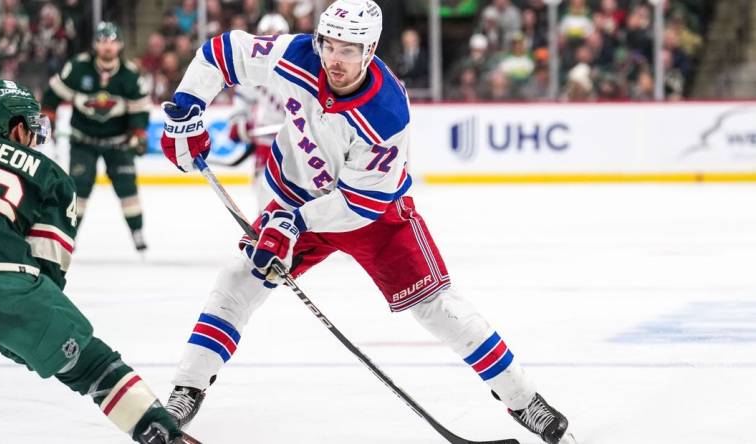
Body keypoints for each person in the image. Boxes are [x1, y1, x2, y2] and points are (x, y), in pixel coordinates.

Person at [159, 1, 576, 443]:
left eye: (349, 50)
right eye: (330, 45)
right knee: (238, 280)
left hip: (371, 216)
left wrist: (294, 225)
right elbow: (223, 52)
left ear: (370, 49)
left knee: (439, 307)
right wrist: (188, 109)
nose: (335, 59)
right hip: (294, 200)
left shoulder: (386, 112)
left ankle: (524, 399)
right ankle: (188, 387)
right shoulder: (297, 55)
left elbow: (360, 203)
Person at [0, 80, 196, 444]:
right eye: (30, 126)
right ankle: (158, 431)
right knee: (92, 366)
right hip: (9, 284)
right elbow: (48, 276)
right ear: (15, 128)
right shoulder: (50, 175)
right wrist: (25, 339)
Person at [42, 21, 152, 253]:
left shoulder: (130, 75)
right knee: (78, 190)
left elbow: (139, 109)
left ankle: (137, 232)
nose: (107, 47)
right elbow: (53, 94)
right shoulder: (78, 68)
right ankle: (69, 235)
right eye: (102, 42)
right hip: (83, 141)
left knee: (127, 188)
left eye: (112, 42)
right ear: (95, 45)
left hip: (118, 143)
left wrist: (138, 133)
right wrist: (48, 117)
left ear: (120, 45)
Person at [225, 12, 289, 211]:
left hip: (294, 142)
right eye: (266, 34)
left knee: (295, 193)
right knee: (264, 190)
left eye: (276, 34)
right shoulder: (252, 68)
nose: (271, 39)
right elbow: (242, 101)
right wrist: (239, 123)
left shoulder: (298, 66)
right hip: (265, 141)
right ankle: (265, 231)